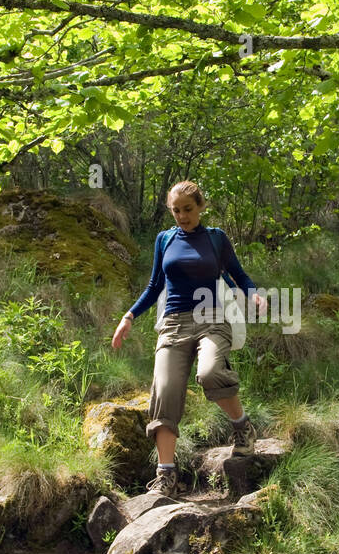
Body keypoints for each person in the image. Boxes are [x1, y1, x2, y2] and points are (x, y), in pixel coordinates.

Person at [110, 181, 268, 497]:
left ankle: (242, 427)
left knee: (209, 372)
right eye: (176, 210)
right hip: (173, 324)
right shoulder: (164, 240)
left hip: (212, 319)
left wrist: (255, 295)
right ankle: (166, 477)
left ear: (201, 207)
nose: (182, 216)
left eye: (188, 209)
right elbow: (154, 286)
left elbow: (239, 275)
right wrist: (129, 316)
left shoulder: (216, 239)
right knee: (164, 391)